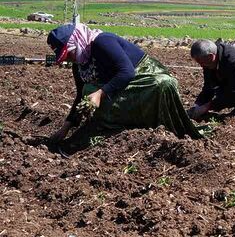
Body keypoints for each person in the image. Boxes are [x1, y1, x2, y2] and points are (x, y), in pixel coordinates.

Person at [46, 23, 201, 149]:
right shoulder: (79, 64)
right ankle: (114, 126)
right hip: (123, 83)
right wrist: (66, 126)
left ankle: (148, 124)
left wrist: (101, 93)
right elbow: (80, 95)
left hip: (145, 76)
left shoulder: (102, 42)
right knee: (88, 90)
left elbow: (127, 72)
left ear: (76, 42)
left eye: (69, 54)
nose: (70, 60)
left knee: (163, 84)